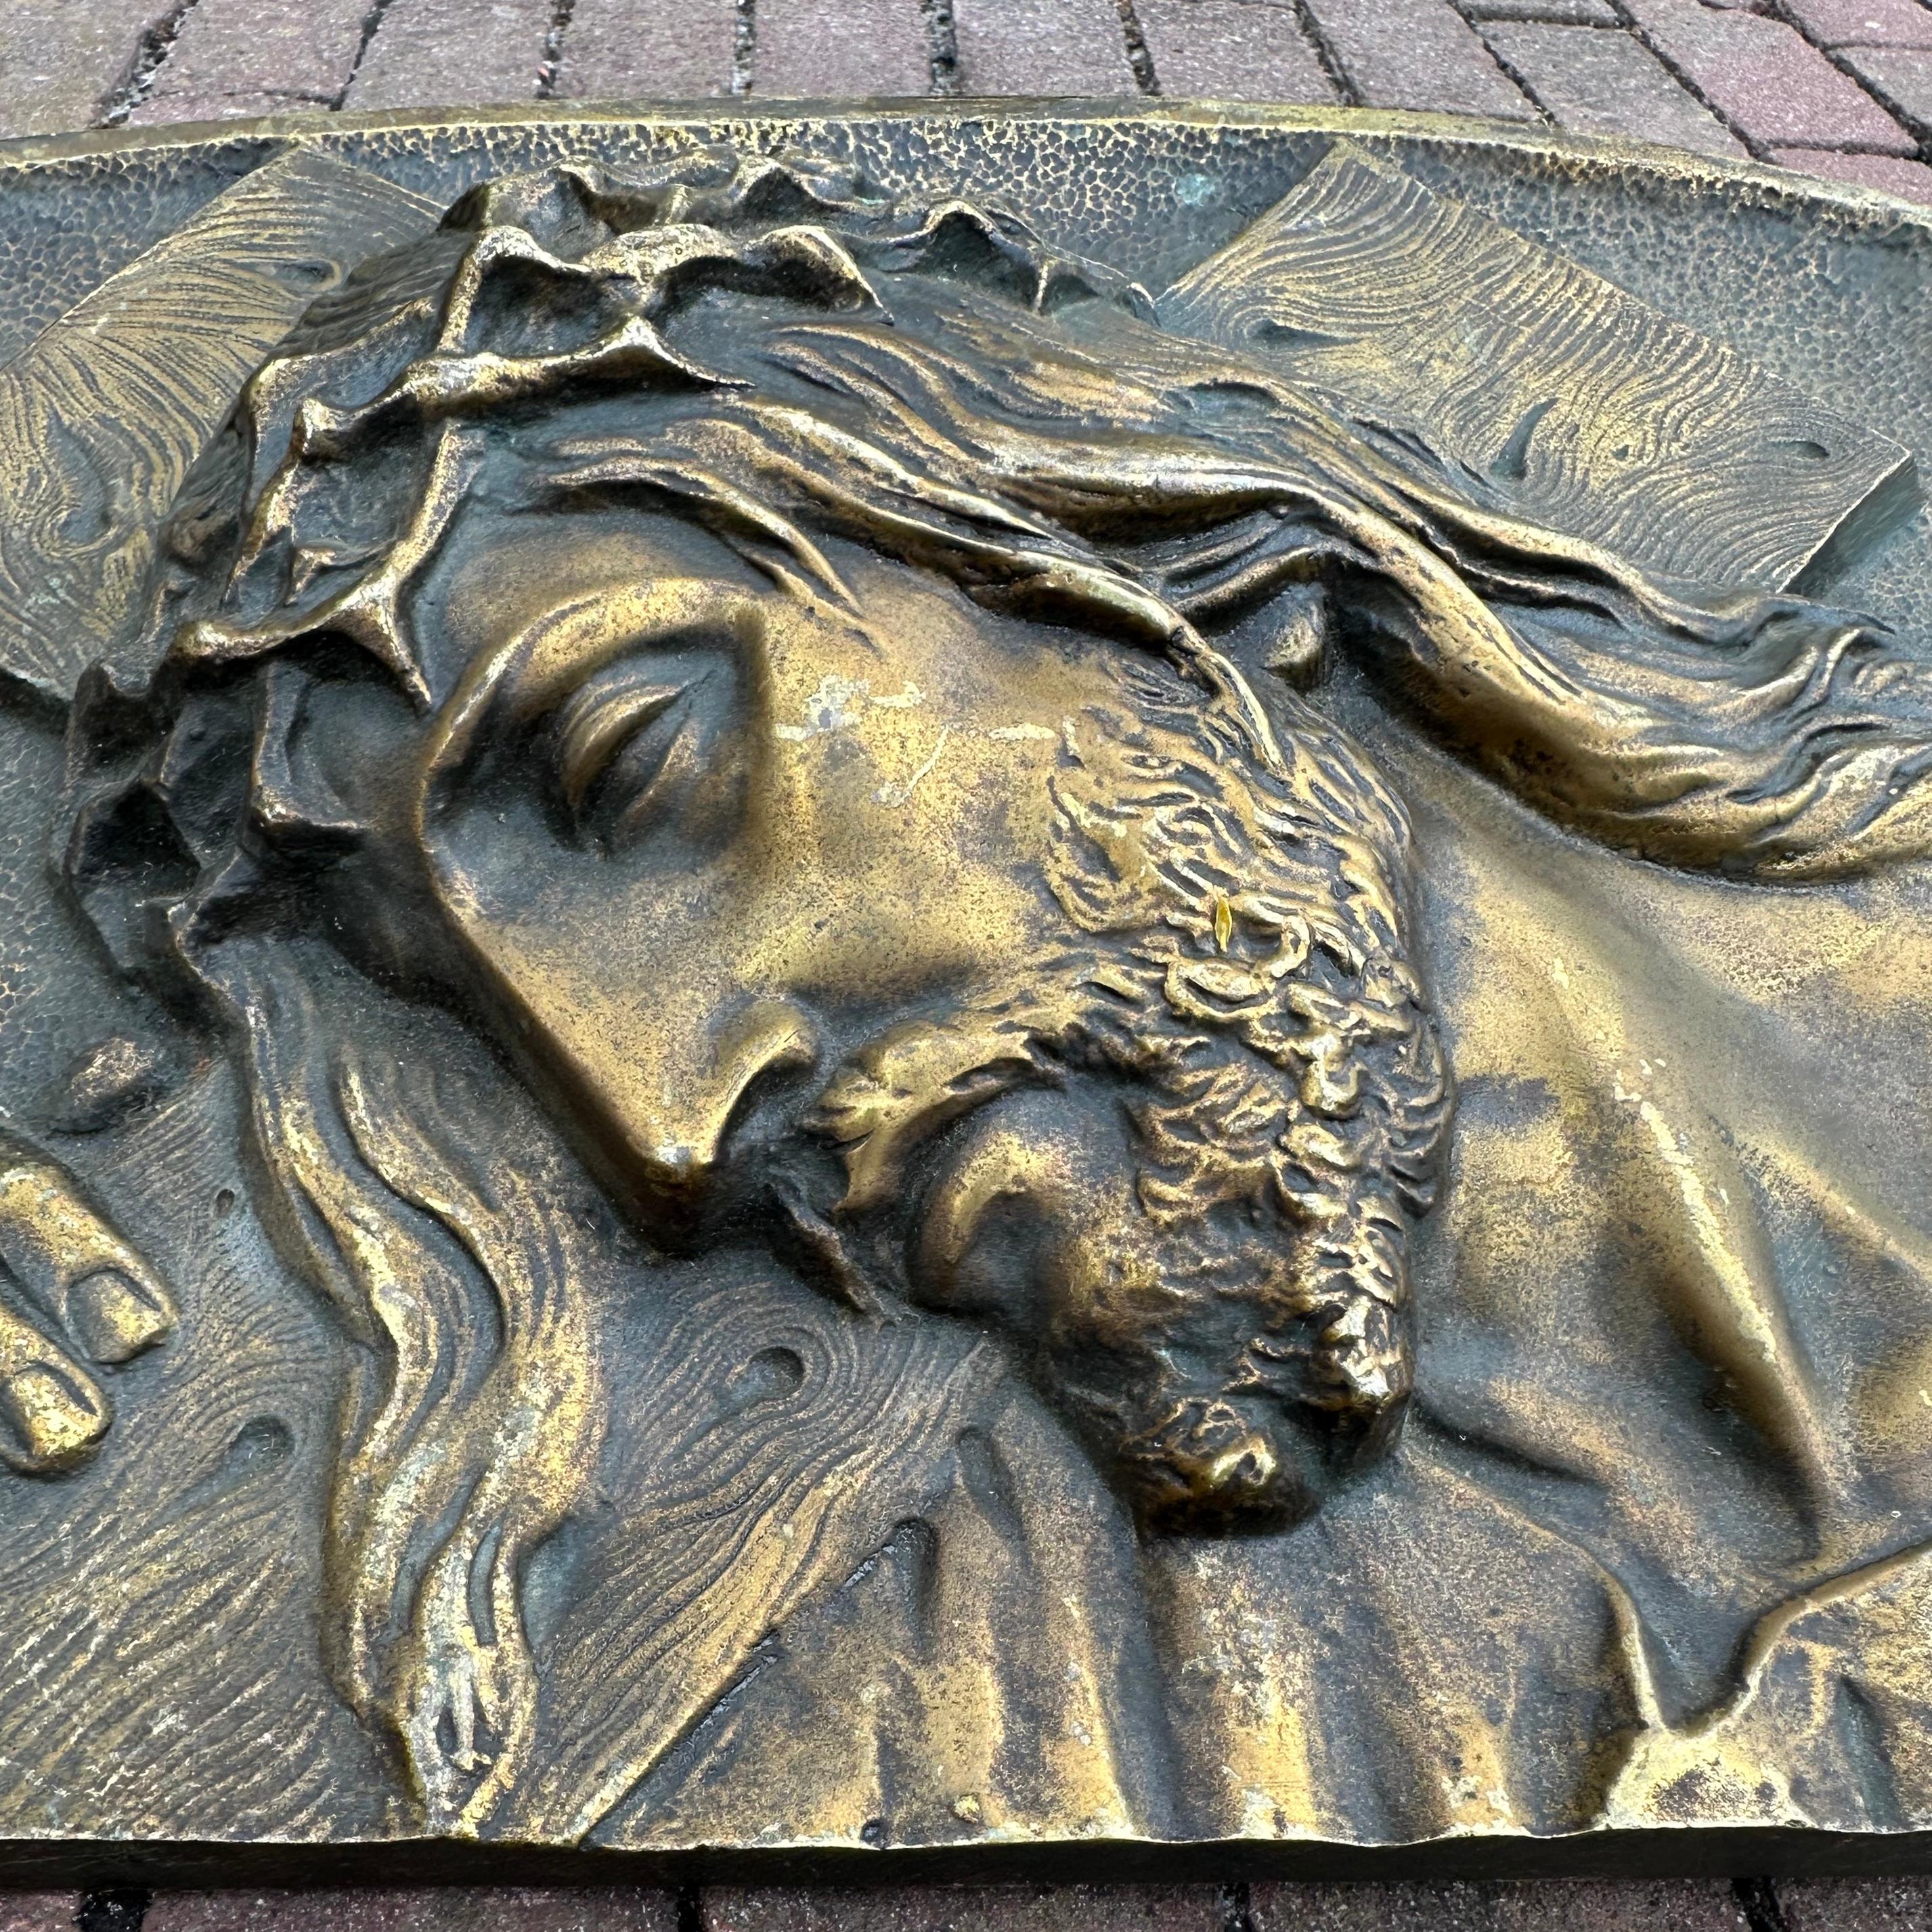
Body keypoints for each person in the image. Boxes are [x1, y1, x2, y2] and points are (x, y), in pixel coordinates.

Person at [19, 147, 1932, 1848]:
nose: (657, 1130)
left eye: (628, 773)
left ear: (1126, 554)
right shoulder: (956, 1719)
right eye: (481, 1014)